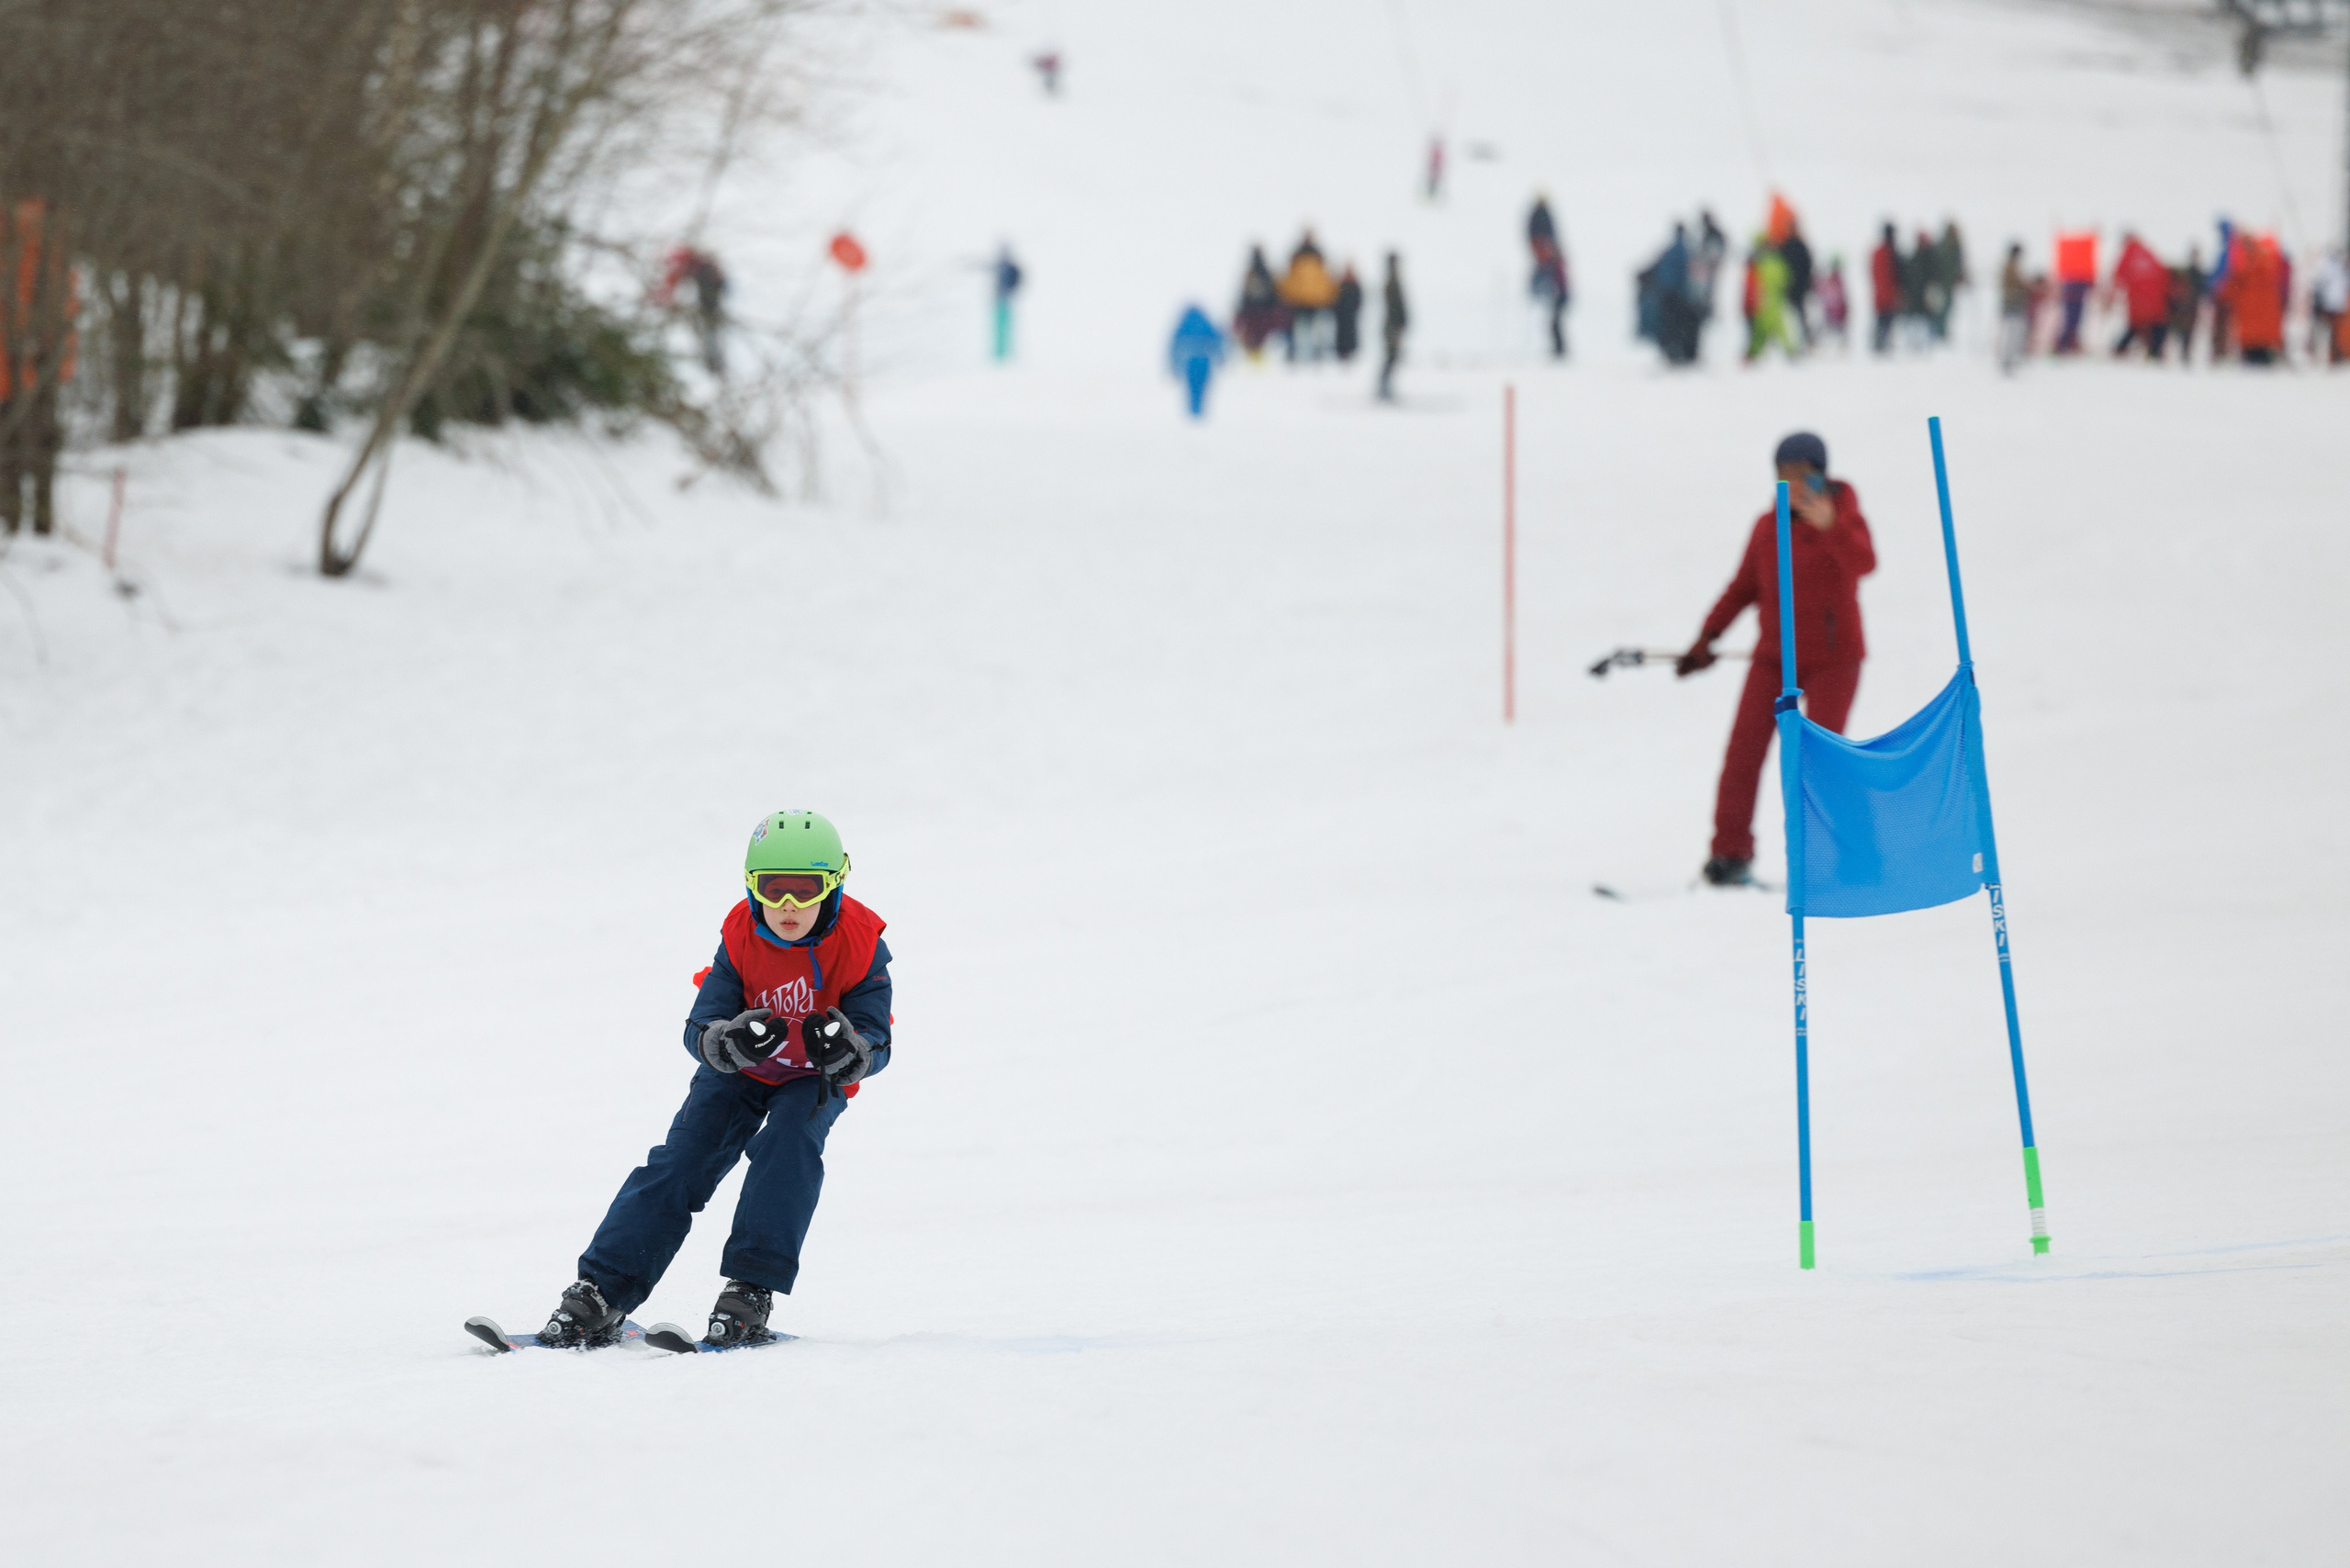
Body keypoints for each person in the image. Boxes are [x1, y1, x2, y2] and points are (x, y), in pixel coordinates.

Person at [534, 810, 894, 1350]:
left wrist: (850, 1050)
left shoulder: (863, 942)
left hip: (811, 1081)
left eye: (806, 889)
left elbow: (877, 1037)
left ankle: (749, 1290)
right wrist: (723, 1041)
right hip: (742, 1072)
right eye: (774, 890)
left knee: (788, 1146)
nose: (789, 906)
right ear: (753, 888)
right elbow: (702, 1022)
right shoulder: (740, 935)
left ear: (835, 884)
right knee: (680, 1162)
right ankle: (602, 1291)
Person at [1675, 432, 1875, 888]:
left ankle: (1845, 857)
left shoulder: (1843, 514)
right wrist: (1706, 638)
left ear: (1821, 473)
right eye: (1784, 473)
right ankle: (1728, 855)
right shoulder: (1767, 527)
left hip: (1833, 658)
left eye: (1803, 472)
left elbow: (1865, 563)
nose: (1793, 482)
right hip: (1774, 658)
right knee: (1742, 754)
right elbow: (1743, 586)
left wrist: (1832, 528)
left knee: (1821, 759)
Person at [2218, 229, 2285, 365]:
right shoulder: (2266, 263)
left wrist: (2221, 294)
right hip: (2262, 320)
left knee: (2252, 355)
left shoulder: (2243, 265)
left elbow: (2231, 286)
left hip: (2249, 318)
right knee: (2260, 351)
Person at [1279, 230, 1340, 361]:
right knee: (1303, 331)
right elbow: (1291, 279)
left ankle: (1315, 353)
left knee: (1314, 330)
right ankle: (1302, 354)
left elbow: (1324, 279)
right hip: (1302, 301)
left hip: (1314, 300)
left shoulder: (1316, 255)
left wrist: (1328, 296)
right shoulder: (1299, 256)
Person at [2109, 231, 2171, 359]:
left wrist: (2112, 295)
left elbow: (2117, 277)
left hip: (2137, 302)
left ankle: (2120, 349)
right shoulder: (2149, 252)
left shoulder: (2128, 254)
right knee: (2157, 325)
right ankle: (2155, 351)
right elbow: (2163, 275)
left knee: (2135, 326)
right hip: (2155, 301)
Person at [1528, 195, 1571, 359]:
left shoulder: (1553, 262)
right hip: (1558, 292)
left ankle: (1560, 350)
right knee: (1553, 323)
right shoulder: (1550, 261)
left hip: (1560, 293)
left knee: (1555, 322)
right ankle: (1559, 350)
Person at [1744, 236, 1797, 362]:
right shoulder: (1779, 263)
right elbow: (1787, 280)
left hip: (1764, 302)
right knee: (1779, 329)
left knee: (1761, 330)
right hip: (1775, 301)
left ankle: (1753, 354)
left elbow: (1754, 283)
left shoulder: (1761, 264)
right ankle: (1790, 351)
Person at [1168, 304, 1226, 418]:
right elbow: (1217, 340)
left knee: (1193, 387)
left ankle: (1194, 411)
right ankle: (1198, 411)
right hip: (1204, 361)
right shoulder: (1206, 323)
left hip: (1191, 363)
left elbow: (1175, 346)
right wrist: (1221, 358)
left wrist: (1174, 365)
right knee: (1202, 386)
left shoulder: (1184, 324)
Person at [1233, 245, 1286, 360]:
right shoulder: (1267, 273)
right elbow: (1274, 295)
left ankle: (1256, 362)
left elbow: (1244, 297)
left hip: (1253, 313)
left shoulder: (1250, 273)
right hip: (1265, 313)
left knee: (1256, 339)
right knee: (1264, 340)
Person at [1997, 242, 2034, 375]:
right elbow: (2016, 284)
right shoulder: (2010, 267)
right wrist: (2028, 286)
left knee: (2015, 331)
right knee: (2013, 331)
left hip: (2014, 303)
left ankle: (2011, 358)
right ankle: (2007, 359)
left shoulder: (2011, 266)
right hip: (2013, 303)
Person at [2306, 246, 2347, 364]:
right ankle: (2324, 356)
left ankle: (2330, 356)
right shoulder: (2329, 266)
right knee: (2326, 332)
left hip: (2333, 305)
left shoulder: (2335, 267)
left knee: (2331, 332)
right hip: (2329, 305)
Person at [2165, 247, 2205, 365]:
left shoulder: (2194, 273)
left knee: (2185, 333)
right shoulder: (2189, 272)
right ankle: (2180, 355)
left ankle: (2183, 355)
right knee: (2182, 332)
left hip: (2187, 308)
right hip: (2183, 308)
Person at [1378, 252, 1407, 402]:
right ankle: (1383, 388)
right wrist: (1400, 323)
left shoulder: (1393, 281)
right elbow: (1396, 307)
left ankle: (1385, 387)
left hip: (1393, 325)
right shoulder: (1392, 283)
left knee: (1393, 357)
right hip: (1392, 326)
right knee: (1391, 357)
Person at [1869, 224, 1901, 354]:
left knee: (1882, 322)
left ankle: (1880, 345)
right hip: (1888, 296)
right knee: (1886, 322)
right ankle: (1881, 346)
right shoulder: (1890, 253)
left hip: (1881, 295)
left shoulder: (1878, 252)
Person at [991, 245, 1023, 363]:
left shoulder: (1011, 267)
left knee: (1007, 326)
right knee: (998, 327)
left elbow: (1017, 280)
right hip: (998, 300)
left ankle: (1008, 352)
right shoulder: (998, 266)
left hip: (1006, 300)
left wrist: (1011, 291)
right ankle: (999, 352)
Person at [1816, 255, 1849, 350]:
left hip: (1834, 313)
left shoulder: (1835, 281)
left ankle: (1841, 347)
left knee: (1834, 331)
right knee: (1828, 330)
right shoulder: (1833, 281)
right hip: (1832, 312)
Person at [1332, 263, 1363, 362]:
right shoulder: (1341, 284)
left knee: (1350, 332)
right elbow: (1335, 298)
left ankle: (1350, 351)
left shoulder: (1354, 284)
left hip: (1350, 313)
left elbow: (1358, 299)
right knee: (1341, 333)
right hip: (1342, 314)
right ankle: (1342, 352)